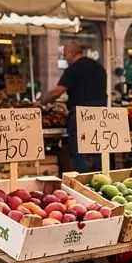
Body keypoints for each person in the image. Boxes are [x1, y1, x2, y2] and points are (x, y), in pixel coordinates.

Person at [40, 41, 107, 173]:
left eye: (65, 55)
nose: (65, 58)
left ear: (72, 53)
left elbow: (58, 91)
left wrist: (41, 102)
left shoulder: (74, 68)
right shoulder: (98, 67)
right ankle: (100, 178)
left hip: (81, 115)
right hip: (101, 114)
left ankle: (82, 181)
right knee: (98, 148)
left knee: (79, 150)